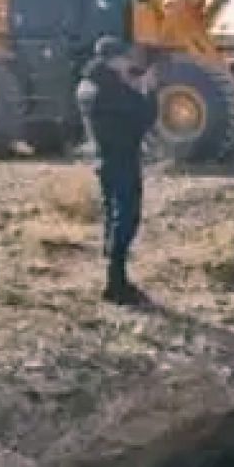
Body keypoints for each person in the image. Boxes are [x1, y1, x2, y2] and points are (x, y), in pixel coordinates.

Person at [75, 37, 157, 304]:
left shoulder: (87, 84)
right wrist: (147, 91)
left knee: (113, 214)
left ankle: (114, 272)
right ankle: (115, 282)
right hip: (122, 157)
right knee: (126, 218)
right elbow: (143, 118)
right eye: (124, 58)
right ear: (115, 59)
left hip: (105, 157)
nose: (129, 63)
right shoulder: (112, 90)